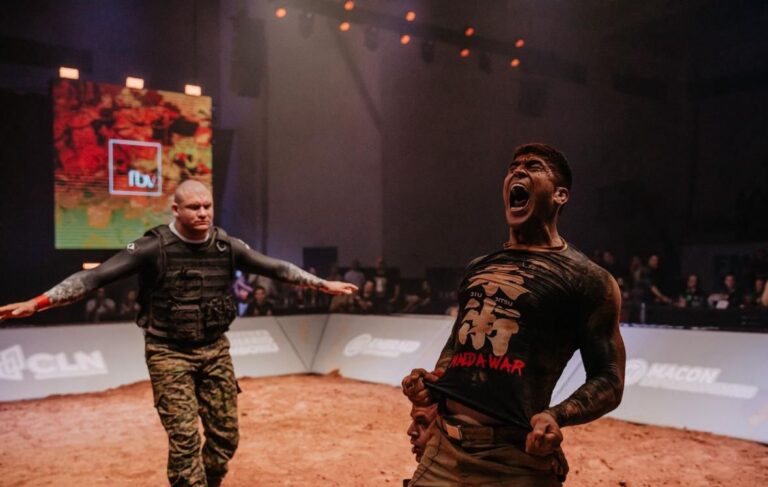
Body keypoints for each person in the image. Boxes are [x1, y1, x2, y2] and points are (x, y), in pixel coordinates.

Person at [0, 180, 357, 487]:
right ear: (176, 209)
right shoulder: (151, 248)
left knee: (225, 439)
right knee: (185, 438)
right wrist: (38, 303)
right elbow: (93, 278)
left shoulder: (226, 246)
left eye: (207, 206)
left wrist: (321, 284)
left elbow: (276, 267)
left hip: (215, 350)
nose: (203, 213)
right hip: (168, 352)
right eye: (194, 207)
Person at [401, 143, 625, 486]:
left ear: (560, 195)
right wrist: (435, 382)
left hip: (515, 461)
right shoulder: (479, 268)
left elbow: (609, 378)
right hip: (444, 450)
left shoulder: (589, 280)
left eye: (533, 166)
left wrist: (555, 416)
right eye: (513, 167)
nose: (518, 171)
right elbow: (457, 346)